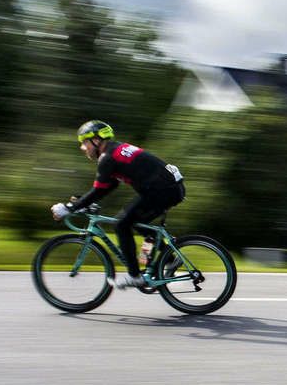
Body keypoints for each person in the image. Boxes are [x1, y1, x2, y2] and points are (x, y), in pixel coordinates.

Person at [50, 120, 186, 290]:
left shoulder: (108, 158)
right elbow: (109, 186)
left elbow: (99, 191)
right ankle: (171, 259)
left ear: (97, 140)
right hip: (168, 187)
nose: (83, 148)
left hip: (163, 190)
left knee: (121, 224)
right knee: (136, 222)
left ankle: (135, 276)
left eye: (85, 142)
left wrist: (69, 208)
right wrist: (83, 204)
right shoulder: (114, 151)